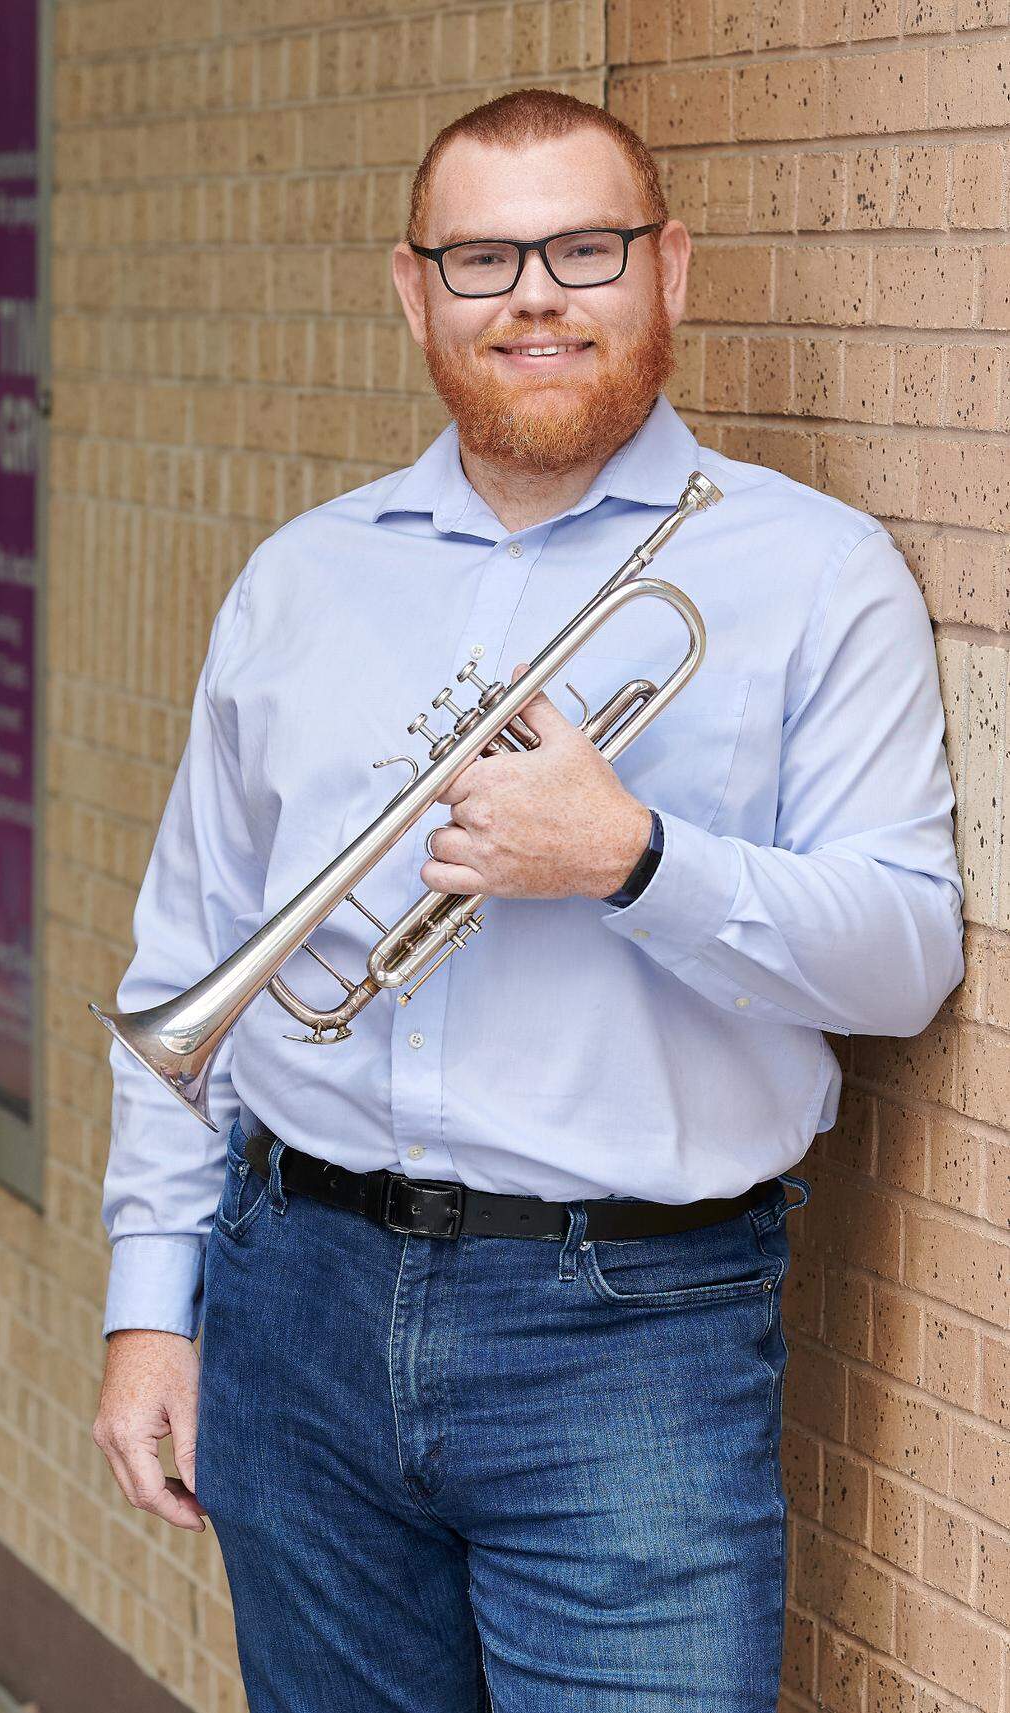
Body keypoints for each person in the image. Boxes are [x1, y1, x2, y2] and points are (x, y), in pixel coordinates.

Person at [92, 87, 964, 1712]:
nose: (537, 296)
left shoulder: (814, 573)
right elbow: (186, 972)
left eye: (584, 247)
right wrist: (153, 1304)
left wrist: (632, 858)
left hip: (629, 1332)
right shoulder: (299, 579)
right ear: (414, 292)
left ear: (671, 271)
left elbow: (905, 955)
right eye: (485, 258)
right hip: (295, 1296)